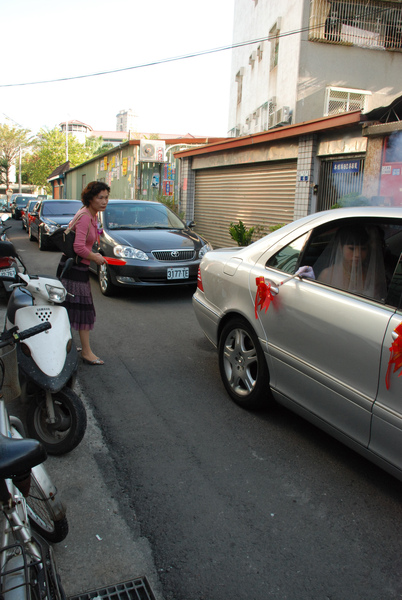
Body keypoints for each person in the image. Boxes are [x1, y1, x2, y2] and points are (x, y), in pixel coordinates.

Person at [57, 181, 110, 365]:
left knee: (73, 308)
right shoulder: (86, 216)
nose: (104, 201)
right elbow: (78, 246)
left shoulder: (91, 215)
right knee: (82, 309)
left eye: (106, 197)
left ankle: (68, 344)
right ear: (90, 199)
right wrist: (95, 257)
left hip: (77, 266)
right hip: (74, 268)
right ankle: (86, 352)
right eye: (100, 197)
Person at [316, 224, 387, 300]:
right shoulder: (327, 275)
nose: (357, 254)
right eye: (352, 249)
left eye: (363, 249)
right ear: (340, 247)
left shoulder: (373, 276)